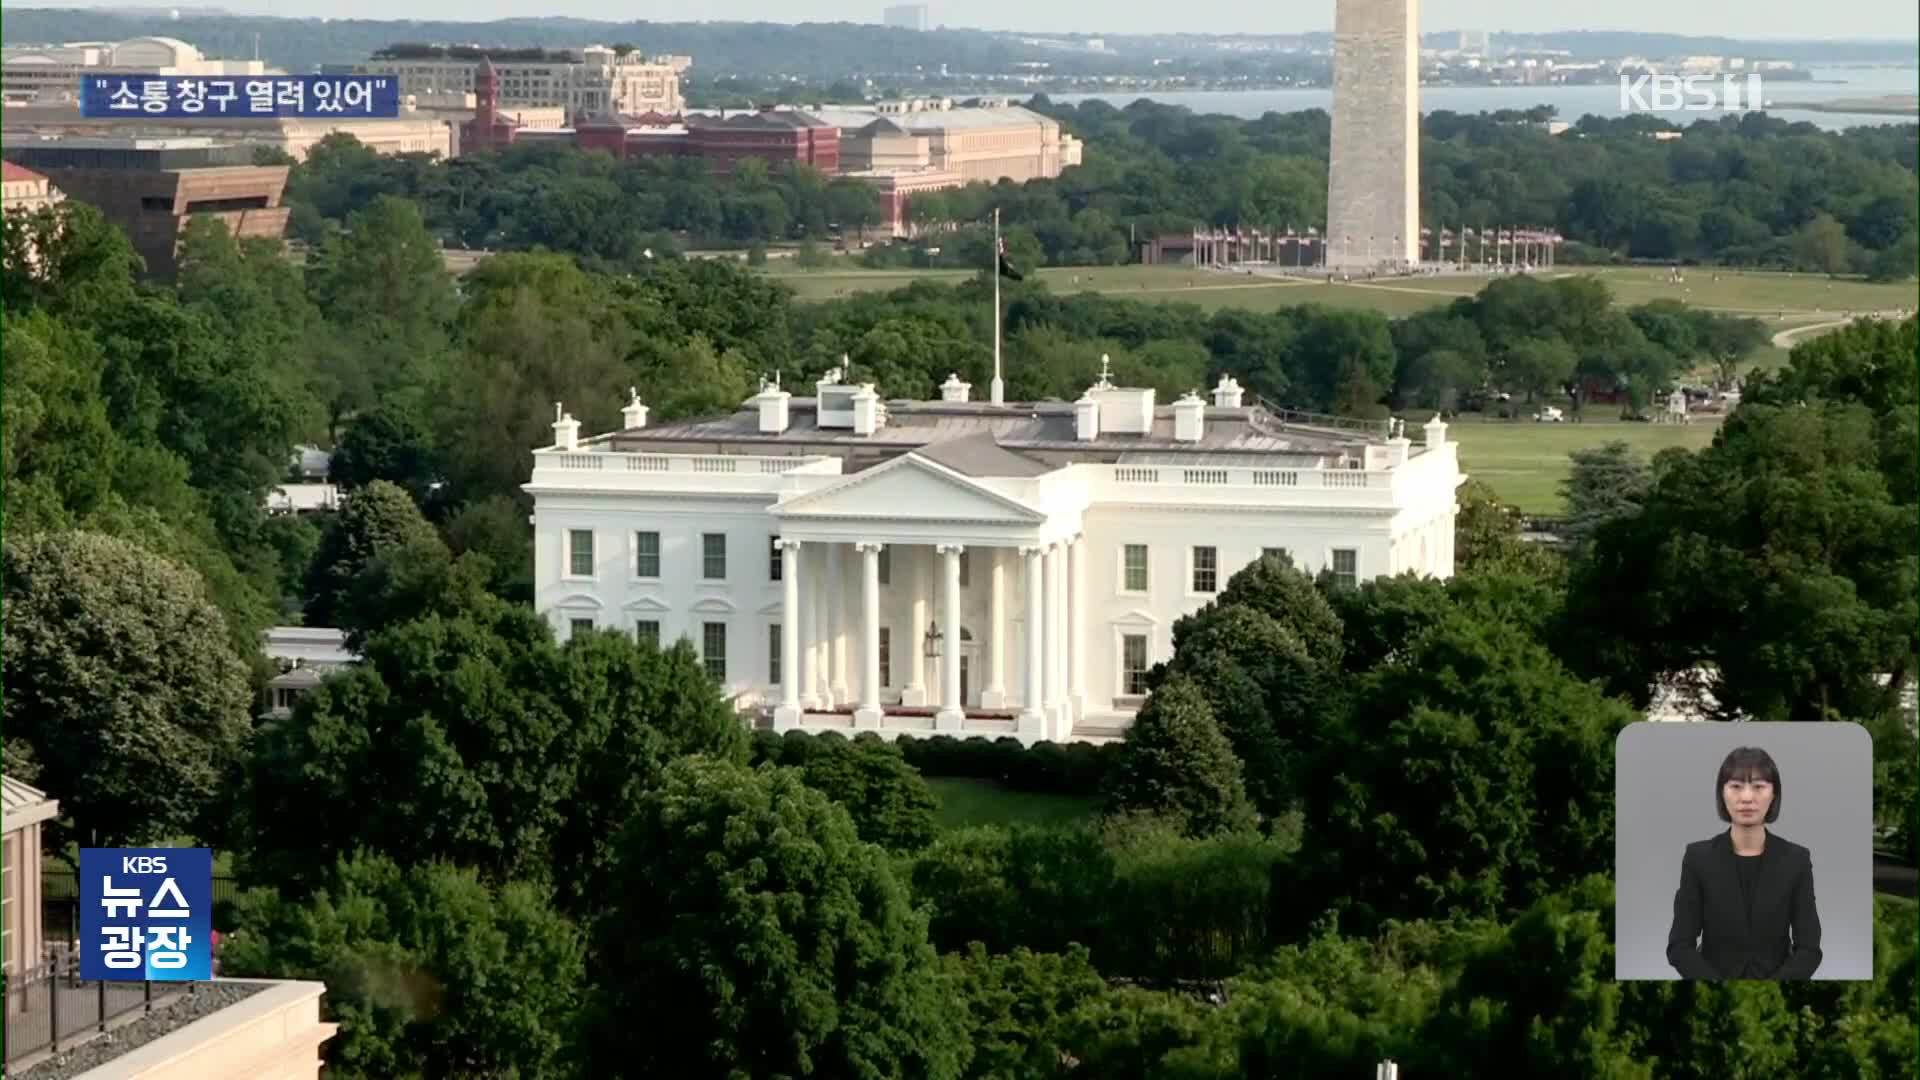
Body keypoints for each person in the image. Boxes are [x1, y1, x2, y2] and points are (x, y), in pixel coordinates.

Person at [1666, 746, 1822, 979]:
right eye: (1736, 786)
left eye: (1759, 787)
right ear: (1722, 793)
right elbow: (1679, 946)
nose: (1747, 798)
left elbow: (1809, 949)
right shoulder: (1698, 858)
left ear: (1774, 794)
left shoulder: (1796, 860)